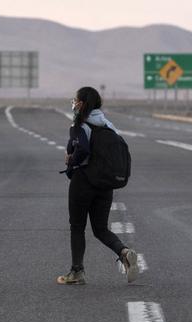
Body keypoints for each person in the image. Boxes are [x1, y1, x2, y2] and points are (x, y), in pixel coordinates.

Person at [57, 86, 138, 285]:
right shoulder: (108, 125)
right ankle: (124, 251)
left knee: (77, 226)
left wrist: (71, 160)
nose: (73, 103)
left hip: (83, 181)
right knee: (100, 228)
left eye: (75, 100)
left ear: (82, 103)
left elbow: (82, 149)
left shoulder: (80, 124)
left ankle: (77, 272)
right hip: (104, 184)